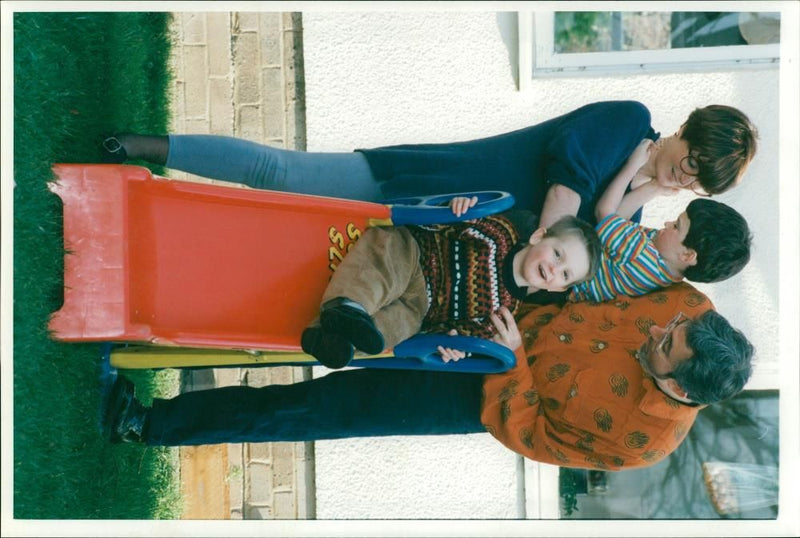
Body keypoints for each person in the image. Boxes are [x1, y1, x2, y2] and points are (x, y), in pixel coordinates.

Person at [103, 281, 755, 471]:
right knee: (317, 312)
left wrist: (512, 359)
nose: (655, 330)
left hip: (474, 391)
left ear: (678, 387)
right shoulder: (693, 311)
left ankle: (148, 423)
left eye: (663, 347)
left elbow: (535, 436)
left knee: (321, 407)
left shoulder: (642, 441)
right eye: (666, 327)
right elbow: (611, 267)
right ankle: (150, 320)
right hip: (491, 297)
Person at [102, 100, 758, 228]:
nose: (686, 178)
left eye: (700, 182)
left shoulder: (641, 190)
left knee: (282, 238)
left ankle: (144, 223)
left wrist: (643, 193)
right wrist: (571, 227)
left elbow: (604, 228)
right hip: (423, 181)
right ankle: (148, 148)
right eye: (694, 160)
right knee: (284, 176)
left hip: (434, 238)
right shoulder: (626, 121)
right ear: (688, 129)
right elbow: (564, 188)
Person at [301, 196, 602, 369]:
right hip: (417, 254)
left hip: (420, 309)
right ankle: (348, 306)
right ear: (539, 236)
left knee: (395, 330)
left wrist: (455, 345)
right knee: (382, 262)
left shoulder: (504, 313)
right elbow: (440, 222)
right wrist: (456, 207)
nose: (553, 269)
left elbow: (465, 332)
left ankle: (333, 342)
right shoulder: (499, 235)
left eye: (564, 274)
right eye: (558, 254)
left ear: (558, 289)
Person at [568, 139, 753, 303]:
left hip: (564, 280)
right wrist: (654, 187)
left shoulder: (642, 255)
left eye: (676, 226)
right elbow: (617, 221)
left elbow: (604, 212)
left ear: (688, 255)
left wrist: (633, 165)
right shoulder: (667, 271)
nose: (667, 223)